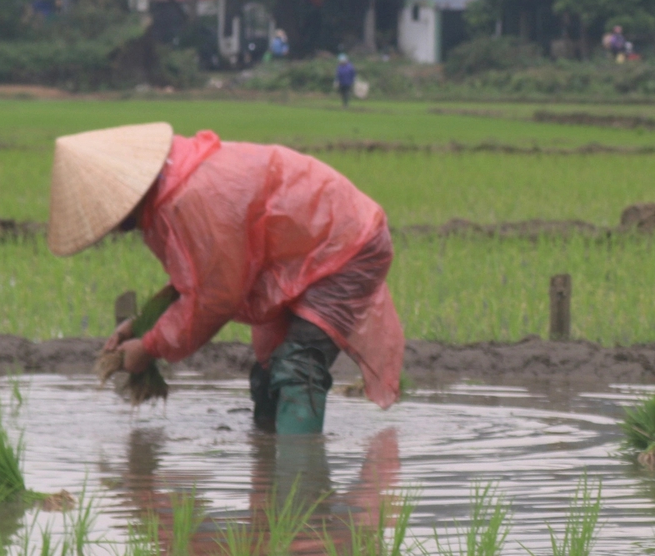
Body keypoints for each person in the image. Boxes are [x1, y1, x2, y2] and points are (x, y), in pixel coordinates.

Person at [48, 123, 403, 435]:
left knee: (297, 368)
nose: (112, 228)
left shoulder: (189, 199)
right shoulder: (170, 189)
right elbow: (200, 276)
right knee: (268, 376)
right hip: (296, 258)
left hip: (345, 248)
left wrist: (149, 347)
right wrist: (143, 325)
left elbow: (215, 297)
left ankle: (302, 487)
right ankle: (269, 466)